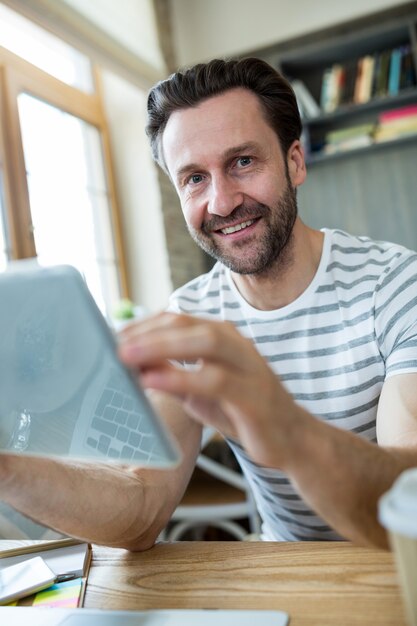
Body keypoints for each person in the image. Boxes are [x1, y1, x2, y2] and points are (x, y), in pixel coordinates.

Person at [1, 57, 417, 549]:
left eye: (243, 161)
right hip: (289, 572)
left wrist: (282, 426)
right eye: (194, 178)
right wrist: (6, 469)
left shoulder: (396, 285)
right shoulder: (190, 317)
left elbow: (409, 505)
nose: (221, 202)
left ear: (295, 162)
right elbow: (141, 508)